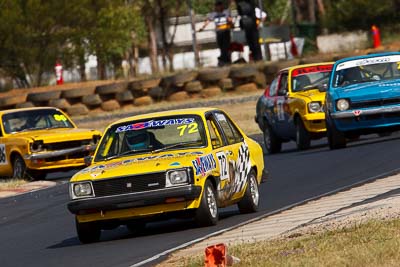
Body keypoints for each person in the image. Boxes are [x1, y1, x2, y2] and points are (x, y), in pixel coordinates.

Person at [199, 1, 233, 66]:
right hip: (219, 32)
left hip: (225, 31)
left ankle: (224, 60)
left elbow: (229, 19)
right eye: (217, 6)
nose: (218, 7)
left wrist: (231, 24)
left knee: (225, 47)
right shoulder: (214, 14)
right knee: (221, 46)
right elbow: (208, 21)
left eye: (220, 6)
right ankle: (224, 60)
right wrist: (202, 28)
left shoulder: (226, 12)